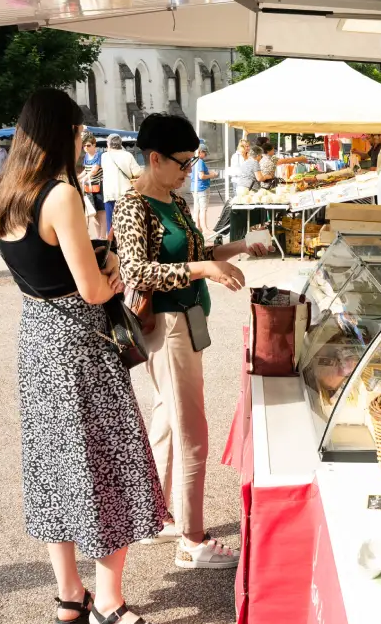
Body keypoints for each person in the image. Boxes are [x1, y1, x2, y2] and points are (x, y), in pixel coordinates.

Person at [0, 88, 170, 624]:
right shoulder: (60, 194)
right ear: (62, 134)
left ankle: (70, 596)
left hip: (37, 342)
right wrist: (110, 266)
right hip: (79, 347)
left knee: (56, 466)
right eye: (81, 133)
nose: (85, 142)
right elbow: (91, 289)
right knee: (108, 463)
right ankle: (109, 607)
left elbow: (39, 267)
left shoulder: (1, 196)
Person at [112, 113, 269, 569]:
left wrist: (238, 248)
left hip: (187, 317)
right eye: (183, 162)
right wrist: (203, 270)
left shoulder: (175, 201)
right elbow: (136, 271)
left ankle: (156, 518)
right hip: (166, 324)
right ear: (154, 158)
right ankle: (193, 540)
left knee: (167, 420)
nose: (189, 170)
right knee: (192, 430)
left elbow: (198, 254)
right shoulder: (134, 205)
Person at [101, 133, 142, 235]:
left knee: (110, 225)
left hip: (109, 195)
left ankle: (112, 246)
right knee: (126, 223)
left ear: (109, 144)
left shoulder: (104, 156)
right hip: (126, 195)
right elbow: (137, 172)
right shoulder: (128, 155)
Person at [80, 134, 107, 239]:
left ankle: (102, 237)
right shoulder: (86, 156)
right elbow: (86, 171)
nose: (85, 148)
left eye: (88, 145)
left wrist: (84, 178)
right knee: (93, 213)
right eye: (84, 146)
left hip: (99, 187)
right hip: (89, 188)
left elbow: (94, 171)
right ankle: (97, 236)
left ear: (94, 145)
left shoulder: (99, 155)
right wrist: (77, 177)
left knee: (101, 213)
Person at [190, 144, 215, 231]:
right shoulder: (200, 161)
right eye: (205, 153)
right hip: (202, 187)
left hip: (194, 187)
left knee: (197, 208)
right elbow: (201, 176)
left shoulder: (192, 161)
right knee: (203, 208)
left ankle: (198, 226)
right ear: (200, 152)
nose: (206, 155)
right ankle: (205, 228)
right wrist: (212, 175)